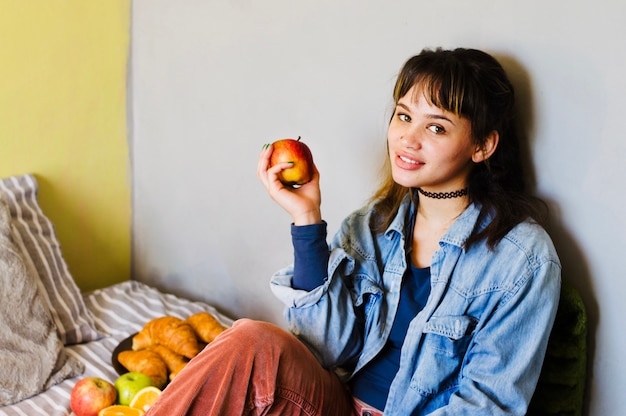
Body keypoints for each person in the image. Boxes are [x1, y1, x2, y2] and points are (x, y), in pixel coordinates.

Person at [146, 47, 561, 416]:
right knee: (251, 338)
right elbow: (323, 348)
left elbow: (489, 404)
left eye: (436, 127)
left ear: (483, 146)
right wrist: (307, 217)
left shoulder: (521, 259)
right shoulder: (374, 223)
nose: (407, 139)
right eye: (403, 116)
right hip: (338, 404)